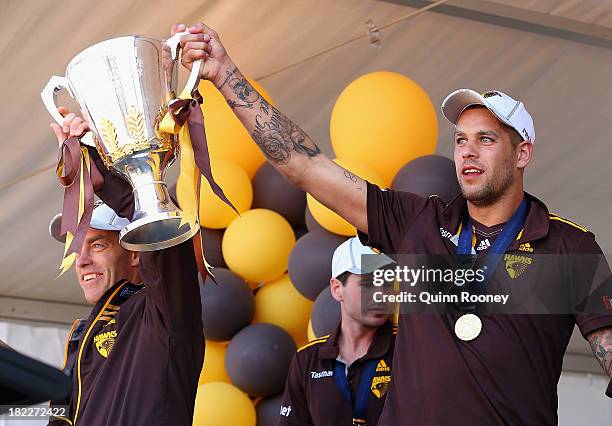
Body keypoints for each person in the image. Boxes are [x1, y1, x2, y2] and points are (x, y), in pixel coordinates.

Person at [176, 22, 612, 425]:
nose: (467, 152)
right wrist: (225, 72)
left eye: (486, 139)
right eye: (460, 139)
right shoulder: (419, 223)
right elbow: (305, 167)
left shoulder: (567, 247)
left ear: (522, 154)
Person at [45, 107, 204, 425]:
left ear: (135, 251)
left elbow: (158, 229)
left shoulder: (164, 313)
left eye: (98, 244)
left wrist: (100, 174)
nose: (82, 260)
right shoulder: (82, 335)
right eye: (78, 246)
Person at [278, 237, 395, 426]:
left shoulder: (410, 348)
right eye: (368, 283)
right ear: (337, 289)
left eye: (387, 282)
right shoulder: (307, 359)